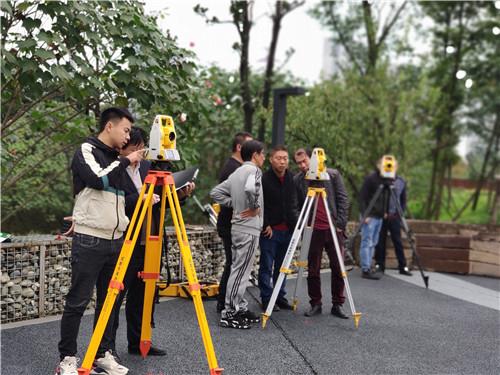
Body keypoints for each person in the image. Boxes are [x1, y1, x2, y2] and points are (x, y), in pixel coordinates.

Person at [56, 108, 143, 375]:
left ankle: (102, 353)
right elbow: (98, 178)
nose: (128, 137)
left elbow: (128, 197)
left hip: (116, 239)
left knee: (110, 302)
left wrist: (128, 164)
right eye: (126, 130)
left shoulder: (117, 159)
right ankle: (67, 359)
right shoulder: (87, 150)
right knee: (78, 301)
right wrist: (126, 161)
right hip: (90, 239)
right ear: (109, 126)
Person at [110, 126, 195, 357]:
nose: (139, 153)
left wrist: (180, 194)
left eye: (141, 148)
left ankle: (139, 342)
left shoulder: (149, 167)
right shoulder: (115, 170)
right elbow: (113, 203)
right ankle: (106, 349)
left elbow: (160, 202)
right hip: (127, 240)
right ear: (122, 149)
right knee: (117, 297)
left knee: (142, 294)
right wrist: (140, 198)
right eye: (134, 149)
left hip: (151, 238)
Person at [210, 140, 265, 329]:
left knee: (238, 269)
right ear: (256, 155)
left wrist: (235, 204)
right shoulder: (254, 171)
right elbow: (251, 189)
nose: (264, 158)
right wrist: (253, 207)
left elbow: (215, 192)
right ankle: (230, 313)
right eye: (263, 154)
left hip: (238, 228)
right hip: (248, 229)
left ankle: (239, 307)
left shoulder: (237, 172)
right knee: (240, 272)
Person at [293, 148, 350, 319]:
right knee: (313, 269)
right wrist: (303, 224)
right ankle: (315, 303)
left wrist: (340, 223)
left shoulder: (332, 175)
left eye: (305, 161)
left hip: (333, 229)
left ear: (314, 159)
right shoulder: (298, 180)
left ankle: (338, 304)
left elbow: (343, 199)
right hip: (312, 230)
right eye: (299, 163)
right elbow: (295, 206)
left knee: (338, 267)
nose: (303, 166)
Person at [215, 132, 253, 313]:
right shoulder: (232, 168)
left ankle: (226, 301)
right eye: (249, 146)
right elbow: (223, 196)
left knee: (233, 264)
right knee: (233, 264)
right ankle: (225, 303)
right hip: (230, 225)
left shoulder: (239, 167)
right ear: (239, 147)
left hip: (234, 224)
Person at [258, 145, 297, 311]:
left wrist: (296, 224)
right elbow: (259, 204)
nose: (282, 161)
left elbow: (298, 202)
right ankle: (267, 298)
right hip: (270, 231)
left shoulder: (292, 179)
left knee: (283, 266)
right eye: (279, 158)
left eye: (285, 158)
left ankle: (280, 296)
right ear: (271, 159)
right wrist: (265, 223)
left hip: (288, 230)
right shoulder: (264, 179)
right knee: (266, 266)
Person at [374, 157, 412, 276]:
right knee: (380, 241)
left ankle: (403, 266)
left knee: (398, 241)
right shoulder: (379, 180)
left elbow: (403, 200)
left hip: (394, 216)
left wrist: (399, 214)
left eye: (392, 165)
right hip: (381, 216)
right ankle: (380, 265)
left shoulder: (401, 181)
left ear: (396, 167)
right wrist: (380, 212)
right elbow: (375, 198)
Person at [358, 157, 393, 280]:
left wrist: (385, 211)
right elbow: (362, 197)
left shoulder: (386, 180)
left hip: (379, 216)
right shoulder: (371, 178)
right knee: (366, 242)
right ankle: (365, 269)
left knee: (373, 243)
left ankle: (369, 266)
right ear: (378, 164)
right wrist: (364, 215)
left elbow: (385, 197)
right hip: (370, 216)